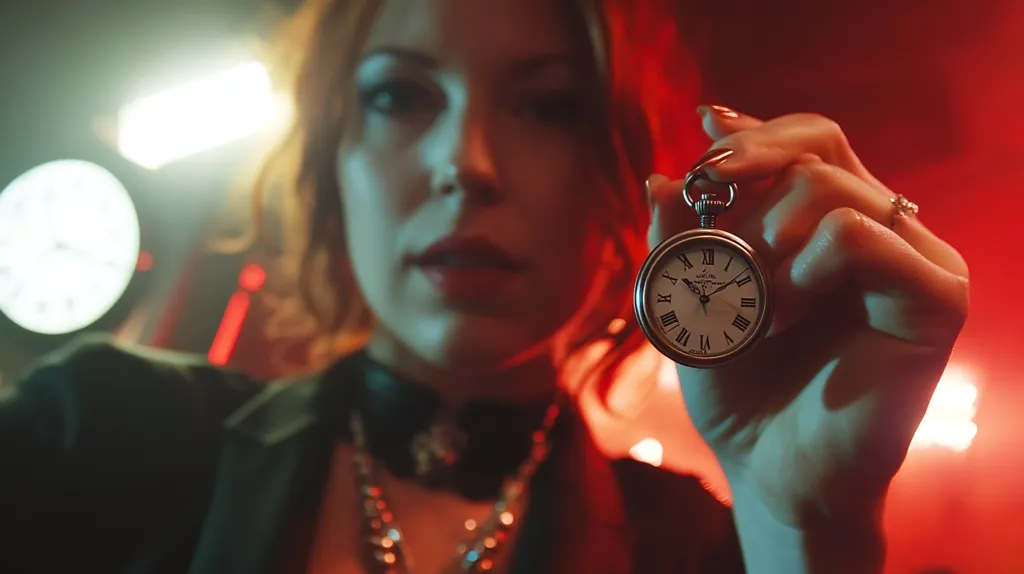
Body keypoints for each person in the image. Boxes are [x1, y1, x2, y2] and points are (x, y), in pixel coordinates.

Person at [0, 0, 970, 573]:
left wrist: (803, 530)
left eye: (545, 106)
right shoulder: (96, 435)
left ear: (620, 174)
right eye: (399, 95)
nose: (467, 165)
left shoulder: (701, 550)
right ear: (330, 161)